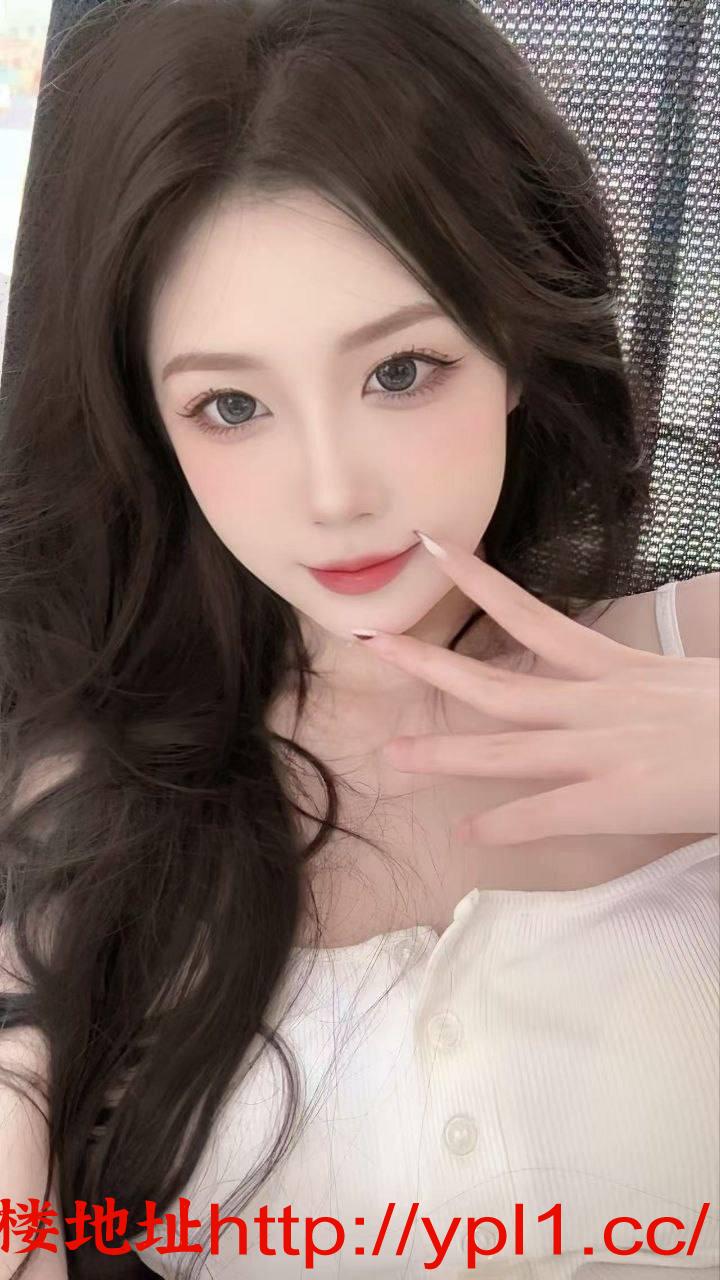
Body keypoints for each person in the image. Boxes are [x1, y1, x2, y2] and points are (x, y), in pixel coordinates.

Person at [0, 0, 717, 1277]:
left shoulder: (696, 654)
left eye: (399, 371)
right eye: (233, 404)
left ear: (513, 340)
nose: (332, 494)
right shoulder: (88, 802)